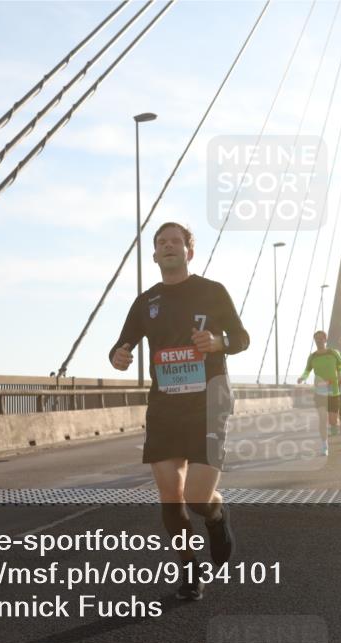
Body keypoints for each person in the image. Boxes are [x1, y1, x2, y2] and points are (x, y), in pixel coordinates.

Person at [110, 222, 249, 601]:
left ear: (189, 252)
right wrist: (119, 356)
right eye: (161, 242)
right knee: (171, 496)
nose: (169, 246)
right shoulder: (146, 301)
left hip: (208, 404)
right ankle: (189, 570)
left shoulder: (212, 292)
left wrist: (218, 342)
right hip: (165, 408)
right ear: (155, 255)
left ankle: (217, 516)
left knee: (198, 498)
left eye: (176, 241)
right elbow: (121, 346)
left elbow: (242, 338)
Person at [296, 330, 341, 456]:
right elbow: (307, 371)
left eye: (320, 338)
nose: (318, 341)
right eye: (316, 339)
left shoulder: (333, 353)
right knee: (322, 418)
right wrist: (302, 377)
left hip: (333, 392)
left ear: (325, 339)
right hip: (320, 392)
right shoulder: (312, 357)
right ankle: (324, 445)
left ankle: (335, 423)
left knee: (332, 421)